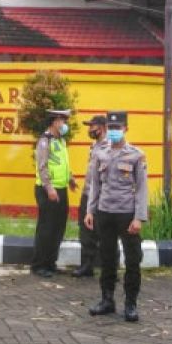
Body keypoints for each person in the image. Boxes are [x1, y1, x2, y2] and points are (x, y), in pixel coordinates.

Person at [84, 111, 149, 322]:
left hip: (127, 214)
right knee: (107, 258)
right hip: (105, 213)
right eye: (111, 128)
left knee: (132, 260)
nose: (113, 132)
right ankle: (107, 300)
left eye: (117, 128)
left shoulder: (136, 155)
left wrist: (139, 217)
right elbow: (95, 185)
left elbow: (141, 189)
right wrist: (90, 211)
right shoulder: (99, 153)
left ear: (126, 129)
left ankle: (130, 304)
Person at [31, 108, 78, 278]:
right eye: (62, 120)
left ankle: (51, 263)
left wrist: (71, 179)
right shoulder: (45, 141)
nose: (64, 124)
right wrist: (49, 188)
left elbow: (63, 163)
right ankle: (38, 265)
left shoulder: (61, 140)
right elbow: (42, 166)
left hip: (61, 189)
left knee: (58, 227)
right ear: (54, 122)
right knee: (46, 228)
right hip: (47, 190)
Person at [73, 115, 108, 278]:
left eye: (92, 127)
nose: (89, 130)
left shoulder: (110, 146)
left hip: (102, 196)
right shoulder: (94, 146)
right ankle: (87, 266)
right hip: (88, 193)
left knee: (106, 232)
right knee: (86, 231)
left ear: (101, 127)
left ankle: (109, 269)